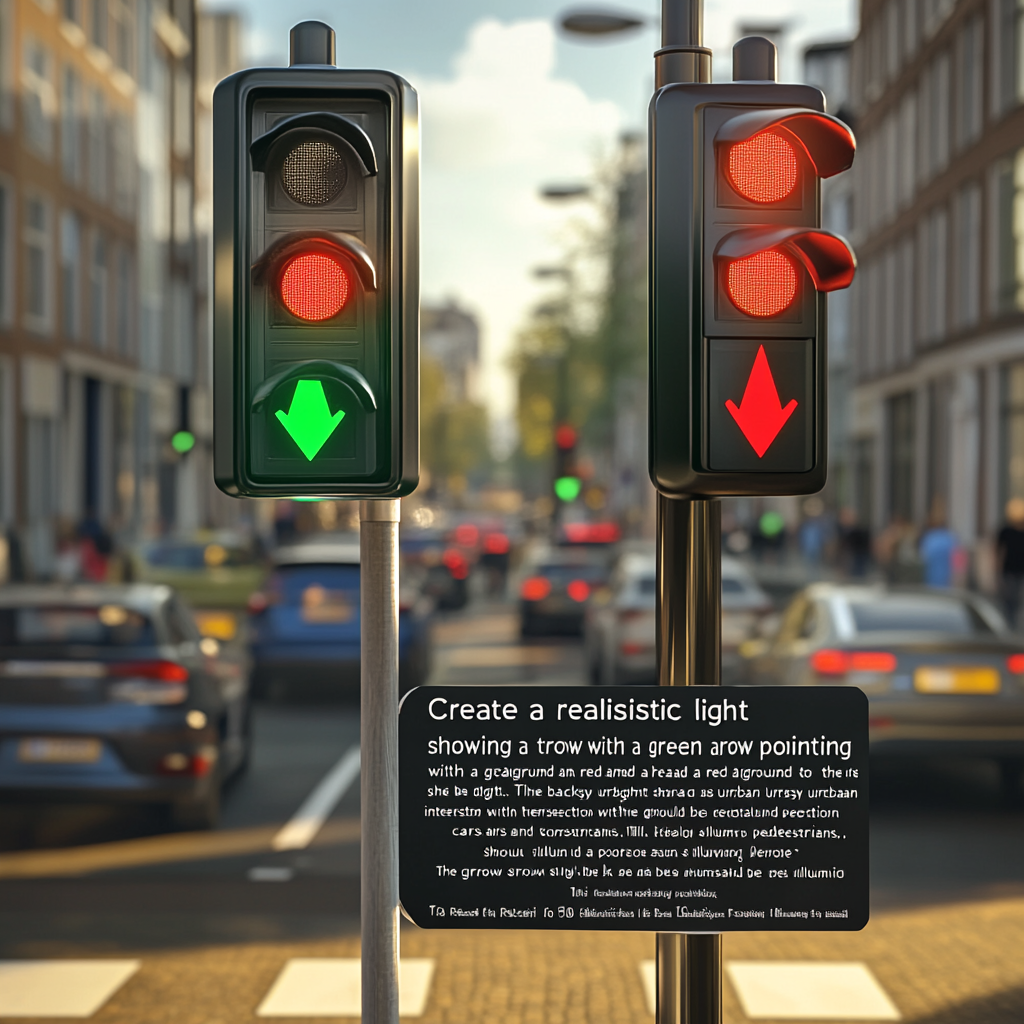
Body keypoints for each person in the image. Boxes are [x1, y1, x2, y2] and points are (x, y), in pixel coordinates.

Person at [997, 498, 1024, 628]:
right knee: (1008, 599)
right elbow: (999, 551)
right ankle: (1009, 623)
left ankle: (1015, 622)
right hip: (1008, 570)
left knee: (1018, 598)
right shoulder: (1005, 531)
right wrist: (997, 570)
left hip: (1020, 570)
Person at [919, 504, 958, 588]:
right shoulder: (952, 538)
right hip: (949, 586)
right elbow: (959, 566)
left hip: (930, 584)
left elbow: (922, 560)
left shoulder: (928, 539)